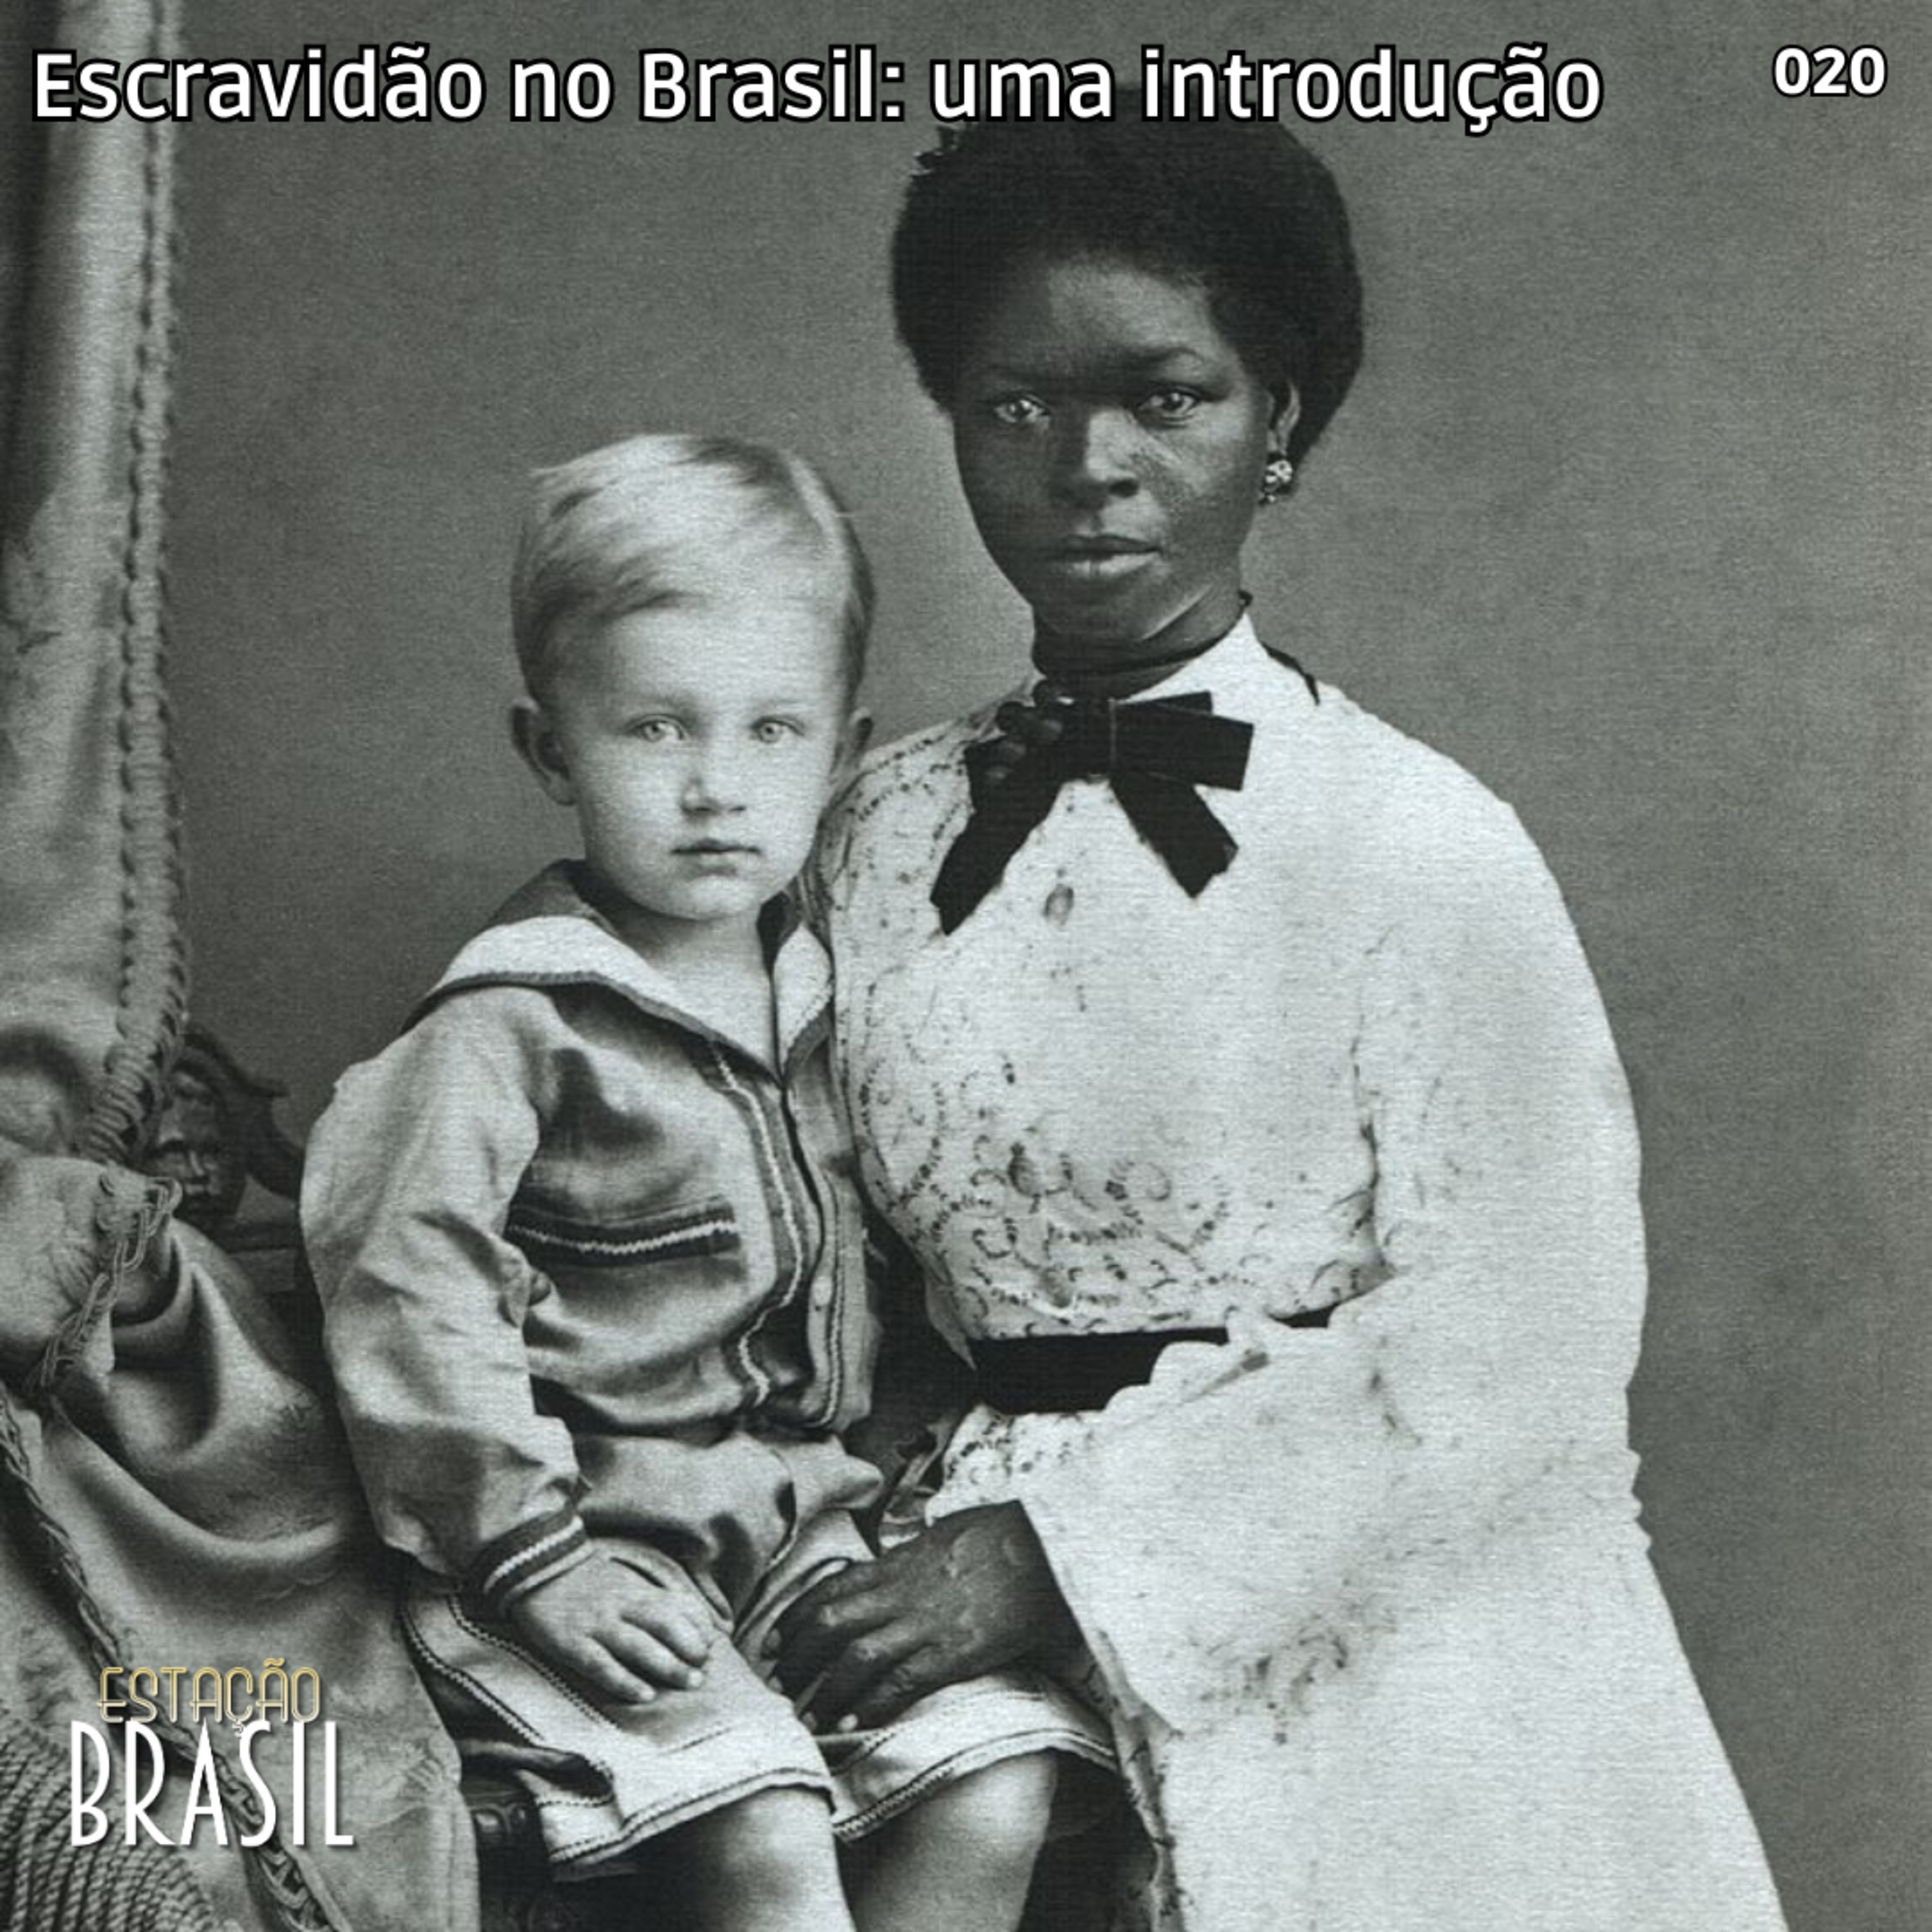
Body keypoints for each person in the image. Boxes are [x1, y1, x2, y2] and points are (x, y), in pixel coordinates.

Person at [778, 105, 1793, 1931]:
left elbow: (1532, 1331)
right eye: (1017, 407)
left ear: (1283, 425)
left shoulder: (1416, 838)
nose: (1090, 465)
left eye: (1167, 399)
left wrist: (1061, 1558)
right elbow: (791, 1210)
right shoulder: (870, 831)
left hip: (1381, 1632)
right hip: (954, 1638)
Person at [299, 433, 1112, 1932]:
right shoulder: (511, 1024)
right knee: (765, 1825)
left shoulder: (833, 1000)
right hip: (576, 1555)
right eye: (655, 729)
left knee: (999, 1778)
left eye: (769, 731)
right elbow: (405, 1295)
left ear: (845, 748)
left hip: (799, 1539)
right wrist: (536, 1562)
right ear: (553, 750)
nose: (716, 788)